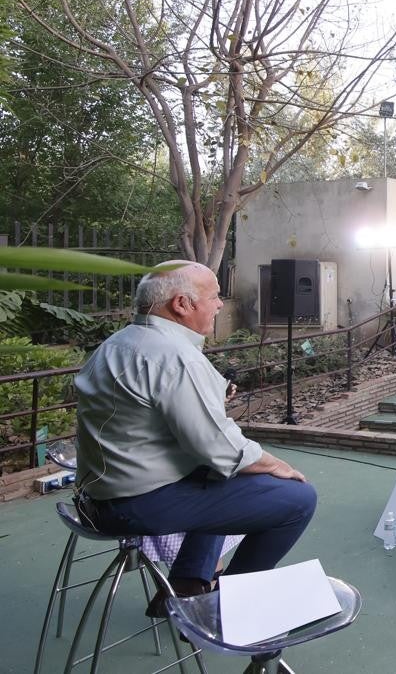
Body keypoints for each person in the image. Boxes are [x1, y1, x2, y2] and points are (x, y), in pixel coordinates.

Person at [74, 261, 315, 611]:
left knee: (219, 479)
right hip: (134, 504)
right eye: (215, 296)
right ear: (182, 304)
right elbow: (219, 447)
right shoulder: (175, 356)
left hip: (96, 496)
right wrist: (273, 463)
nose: (220, 305)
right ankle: (227, 606)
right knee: (298, 498)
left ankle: (190, 583)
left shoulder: (116, 344)